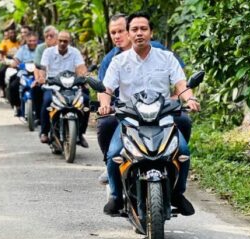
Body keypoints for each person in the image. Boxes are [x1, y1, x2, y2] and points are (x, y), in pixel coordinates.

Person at [99, 12, 200, 216]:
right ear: (128, 34)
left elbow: (181, 84)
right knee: (114, 154)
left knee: (183, 151)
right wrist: (105, 105)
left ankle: (178, 193)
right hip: (130, 119)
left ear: (151, 32)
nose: (139, 33)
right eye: (134, 29)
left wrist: (189, 98)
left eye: (143, 29)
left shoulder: (166, 57)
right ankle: (117, 197)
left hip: (162, 119)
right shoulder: (118, 61)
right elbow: (106, 89)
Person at [39, 30, 90, 147]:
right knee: (47, 101)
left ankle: (80, 133)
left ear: (69, 42)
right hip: (52, 85)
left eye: (65, 41)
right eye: (60, 41)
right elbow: (43, 67)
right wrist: (42, 77)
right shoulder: (48, 52)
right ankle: (44, 132)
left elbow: (81, 68)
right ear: (57, 40)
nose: (62, 43)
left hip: (71, 85)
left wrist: (84, 77)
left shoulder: (75, 52)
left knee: (85, 101)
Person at [32, 26, 59, 121]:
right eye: (46, 36)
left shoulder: (63, 47)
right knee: (36, 89)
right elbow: (37, 66)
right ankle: (39, 116)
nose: (48, 38)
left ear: (57, 37)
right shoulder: (41, 48)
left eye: (51, 36)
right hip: (46, 78)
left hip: (62, 79)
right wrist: (38, 79)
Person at [8, 32, 38, 116]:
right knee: (13, 86)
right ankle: (17, 106)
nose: (32, 42)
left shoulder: (41, 49)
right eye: (30, 41)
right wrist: (15, 64)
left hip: (38, 74)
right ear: (26, 41)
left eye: (34, 41)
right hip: (23, 73)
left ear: (37, 41)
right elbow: (16, 60)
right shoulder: (22, 49)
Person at [0, 27, 20, 98]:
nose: (13, 34)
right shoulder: (4, 42)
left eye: (14, 33)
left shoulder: (19, 42)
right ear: (8, 35)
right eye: (11, 33)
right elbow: (0, 52)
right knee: (1, 72)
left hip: (18, 61)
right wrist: (1, 58)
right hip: (8, 61)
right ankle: (2, 89)